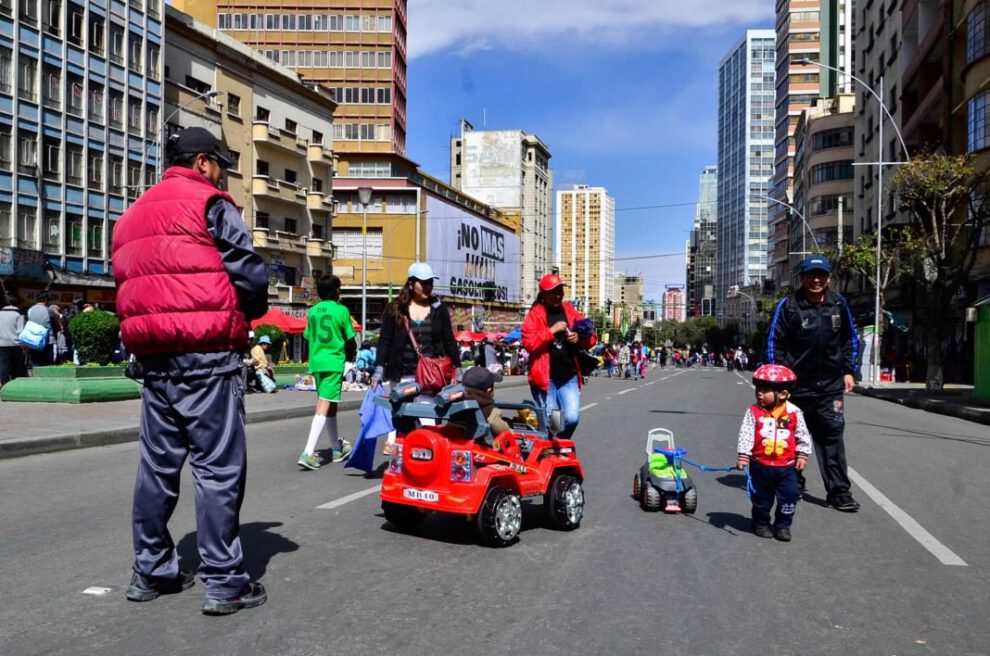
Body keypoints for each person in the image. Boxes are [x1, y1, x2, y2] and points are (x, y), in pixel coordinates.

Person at [113, 126, 269, 615]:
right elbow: (248, 273)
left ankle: (150, 570)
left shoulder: (131, 215)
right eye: (221, 163)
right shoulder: (211, 203)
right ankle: (225, 581)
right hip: (208, 355)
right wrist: (246, 311)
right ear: (203, 162)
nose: (222, 173)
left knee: (157, 469)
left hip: (155, 360)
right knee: (218, 469)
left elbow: (127, 280)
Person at [767, 254, 860, 512]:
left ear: (829, 278)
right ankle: (792, 483)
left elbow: (850, 340)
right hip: (796, 388)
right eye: (810, 275)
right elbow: (775, 343)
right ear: (802, 278)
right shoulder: (788, 306)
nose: (816, 280)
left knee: (832, 437)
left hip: (830, 387)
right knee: (792, 438)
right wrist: (780, 380)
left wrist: (849, 371)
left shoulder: (839, 304)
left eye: (821, 275)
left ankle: (839, 492)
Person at [373, 262, 461, 452]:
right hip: (402, 374)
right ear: (411, 284)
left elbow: (449, 340)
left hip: (430, 377)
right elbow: (385, 341)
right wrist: (379, 369)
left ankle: (427, 465)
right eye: (423, 283)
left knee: (428, 423)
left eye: (430, 282)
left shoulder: (439, 308)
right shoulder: (395, 309)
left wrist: (458, 367)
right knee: (402, 422)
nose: (428, 287)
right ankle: (400, 466)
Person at [736, 364, 812, 542]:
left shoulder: (794, 413)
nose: (759, 394)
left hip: (787, 467)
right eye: (758, 390)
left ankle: (783, 526)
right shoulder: (754, 411)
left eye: (765, 390)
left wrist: (802, 454)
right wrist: (743, 456)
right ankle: (761, 523)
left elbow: (802, 434)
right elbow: (746, 433)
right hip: (760, 465)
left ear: (783, 394)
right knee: (761, 499)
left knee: (789, 497)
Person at [521, 274, 596, 439]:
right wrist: (551, 331)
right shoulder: (534, 315)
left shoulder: (569, 310)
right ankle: (553, 451)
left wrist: (580, 337)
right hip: (546, 380)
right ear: (543, 295)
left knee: (571, 418)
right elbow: (529, 343)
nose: (557, 295)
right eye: (553, 292)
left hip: (569, 377)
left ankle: (559, 446)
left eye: (560, 291)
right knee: (554, 421)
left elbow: (591, 337)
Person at [297, 274, 356, 470]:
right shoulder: (341, 310)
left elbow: (307, 335)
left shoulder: (312, 311)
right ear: (337, 291)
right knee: (324, 404)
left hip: (317, 362)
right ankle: (308, 452)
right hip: (333, 362)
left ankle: (336, 449)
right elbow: (349, 338)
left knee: (330, 405)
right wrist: (350, 357)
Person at [461, 366, 511, 437]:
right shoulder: (490, 410)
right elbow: (501, 428)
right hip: (481, 445)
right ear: (489, 391)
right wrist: (512, 432)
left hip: (457, 441)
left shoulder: (458, 406)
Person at [0, 294, 26, 387]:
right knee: (16, 367)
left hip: (1, 344)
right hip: (15, 344)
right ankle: (15, 386)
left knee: (4, 366)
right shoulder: (18, 314)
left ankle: (4, 386)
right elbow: (20, 331)